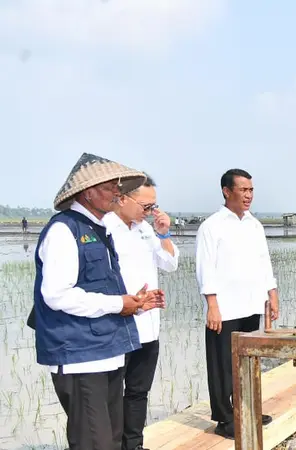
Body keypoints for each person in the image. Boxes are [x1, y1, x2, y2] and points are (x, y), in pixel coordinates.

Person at [31, 153, 164, 449]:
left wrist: (134, 303)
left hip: (108, 352)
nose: (117, 192)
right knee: (95, 442)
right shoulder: (64, 230)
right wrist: (119, 304)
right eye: (110, 187)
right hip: (80, 357)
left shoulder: (98, 230)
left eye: (118, 187)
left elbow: (98, 288)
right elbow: (56, 295)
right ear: (88, 192)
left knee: (112, 439)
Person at [196, 168, 280, 440]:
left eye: (251, 190)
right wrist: (212, 305)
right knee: (222, 364)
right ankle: (224, 418)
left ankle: (247, 409)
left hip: (252, 303)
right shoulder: (212, 226)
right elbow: (205, 268)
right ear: (226, 191)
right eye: (243, 190)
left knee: (247, 361)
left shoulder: (254, 224)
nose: (248, 195)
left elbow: (263, 260)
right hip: (225, 307)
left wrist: (272, 293)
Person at [104, 174, 180, 450]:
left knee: (138, 391)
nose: (150, 212)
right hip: (118, 323)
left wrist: (164, 233)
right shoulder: (105, 228)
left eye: (154, 207)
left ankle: (133, 444)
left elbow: (170, 263)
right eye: (146, 206)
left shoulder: (145, 229)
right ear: (122, 198)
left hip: (149, 324)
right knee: (111, 393)